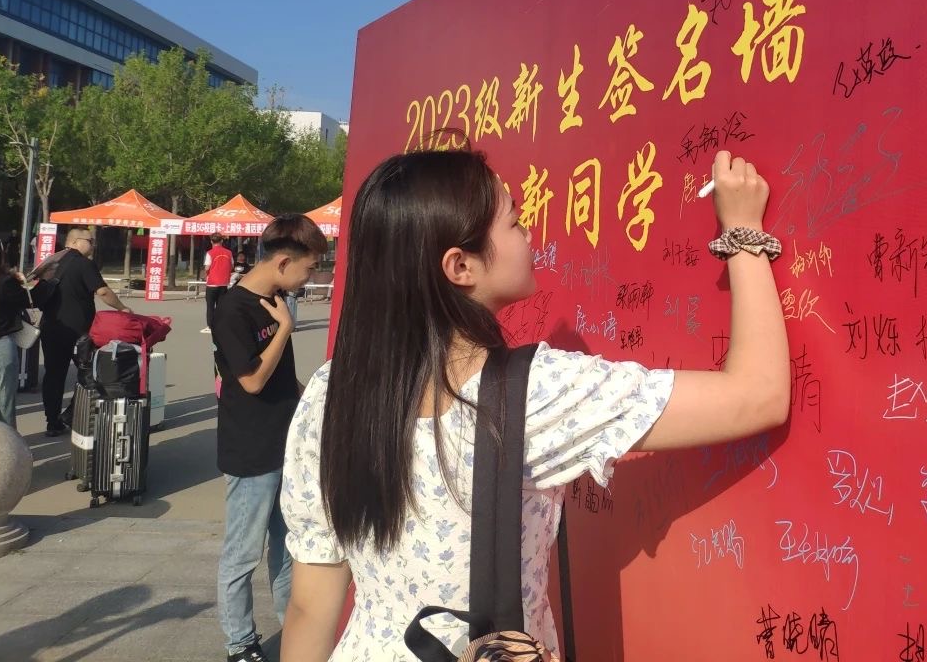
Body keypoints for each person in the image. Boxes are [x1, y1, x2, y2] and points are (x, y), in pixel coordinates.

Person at [280, 147, 789, 660]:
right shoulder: (530, 394)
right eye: (515, 223)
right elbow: (758, 395)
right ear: (460, 266)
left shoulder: (331, 392)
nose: (530, 235)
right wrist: (743, 232)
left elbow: (309, 607)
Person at [213, 214, 328, 662]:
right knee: (242, 555)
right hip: (250, 451)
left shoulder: (277, 300)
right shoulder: (233, 310)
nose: (309, 278)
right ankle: (240, 643)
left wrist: (314, 403)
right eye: (308, 268)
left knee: (287, 548)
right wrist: (283, 329)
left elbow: (282, 377)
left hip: (286, 447)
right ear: (282, 262)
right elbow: (254, 381)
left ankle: (294, 629)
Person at [35, 227, 131, 436]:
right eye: (90, 241)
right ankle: (74, 415)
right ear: (75, 241)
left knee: (54, 374)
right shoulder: (84, 264)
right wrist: (122, 308)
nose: (93, 245)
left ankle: (52, 421)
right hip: (79, 331)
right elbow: (103, 291)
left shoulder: (52, 262)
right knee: (89, 373)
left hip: (51, 327)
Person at [0, 235, 30, 427]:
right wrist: (21, 281)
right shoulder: (4, 282)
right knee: (3, 410)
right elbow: (27, 301)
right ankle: (4, 446)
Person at [202, 234, 235, 335]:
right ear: (222, 241)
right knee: (221, 306)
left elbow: (207, 267)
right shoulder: (229, 252)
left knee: (210, 306)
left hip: (212, 283)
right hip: (224, 283)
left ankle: (210, 326)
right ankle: (221, 325)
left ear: (211, 241)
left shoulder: (210, 253)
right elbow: (232, 266)